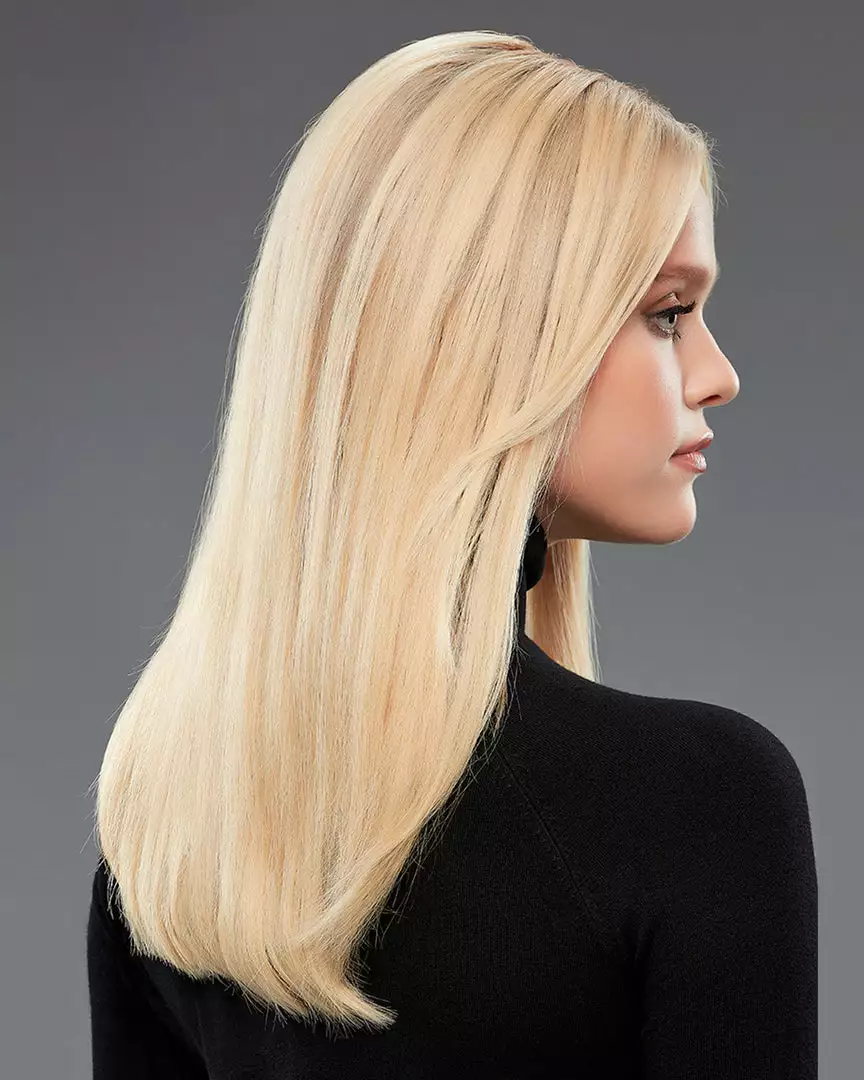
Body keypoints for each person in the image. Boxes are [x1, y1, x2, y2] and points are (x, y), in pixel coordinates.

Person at [86, 29, 817, 1078]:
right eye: (669, 314)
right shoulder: (695, 805)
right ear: (491, 339)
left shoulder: (169, 827)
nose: (718, 373)